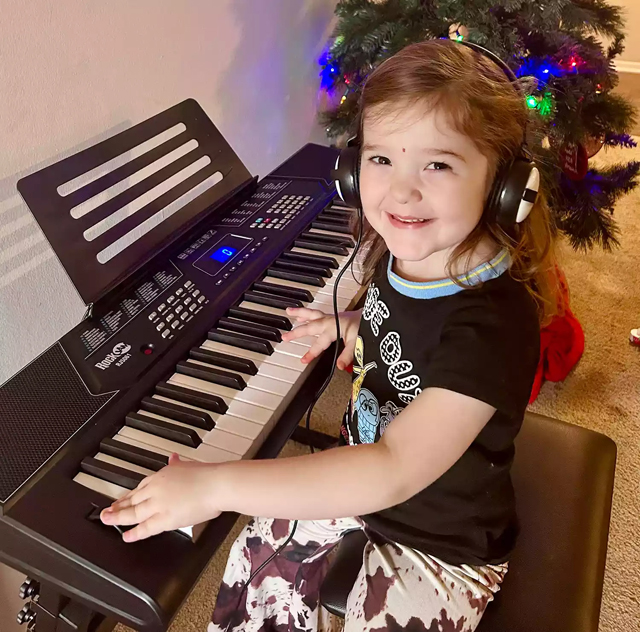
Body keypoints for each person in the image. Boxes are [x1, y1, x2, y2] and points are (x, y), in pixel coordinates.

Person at [101, 38, 562, 632]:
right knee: (257, 560)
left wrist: (215, 486)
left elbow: (394, 466)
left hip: (442, 539)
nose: (402, 191)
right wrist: (350, 323)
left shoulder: (493, 324)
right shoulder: (409, 252)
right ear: (352, 166)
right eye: (381, 159)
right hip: (360, 482)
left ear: (505, 184)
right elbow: (404, 320)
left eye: (438, 164)